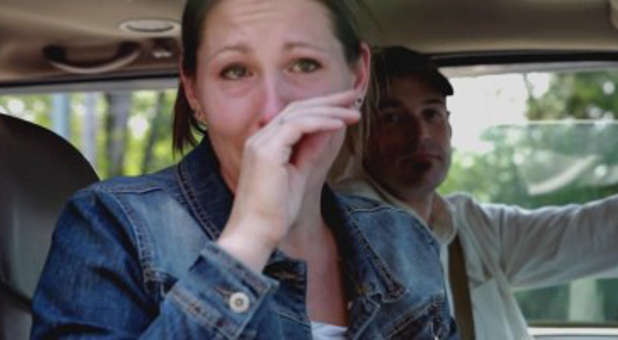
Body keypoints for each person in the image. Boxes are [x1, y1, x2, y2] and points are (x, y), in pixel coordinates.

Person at [31, 3, 459, 339]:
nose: (273, 110)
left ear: (356, 77)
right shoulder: (112, 225)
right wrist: (247, 244)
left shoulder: (405, 241)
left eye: (305, 64)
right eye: (235, 71)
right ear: (195, 90)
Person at [332, 46, 618, 340]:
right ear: (358, 133)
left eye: (431, 113)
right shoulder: (340, 234)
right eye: (392, 118)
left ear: (450, 125)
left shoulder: (472, 226)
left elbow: (597, 235)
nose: (421, 134)